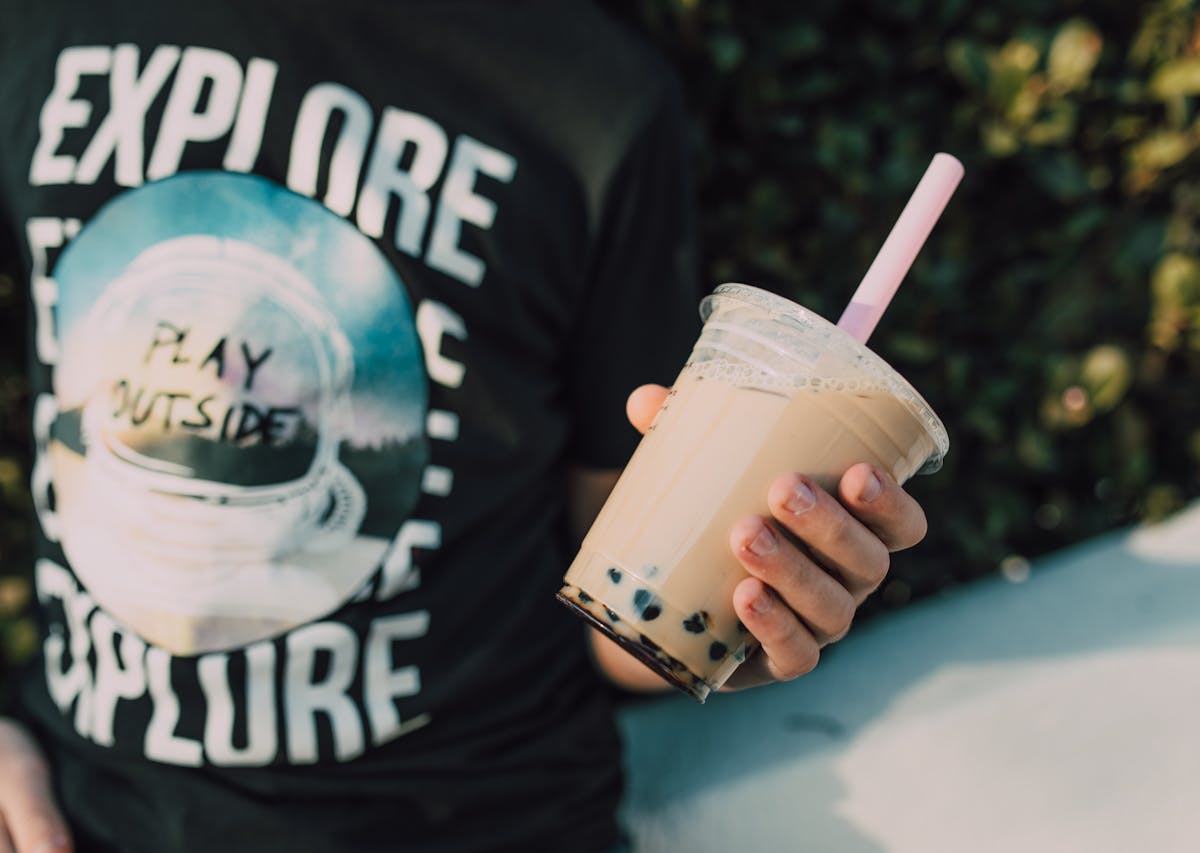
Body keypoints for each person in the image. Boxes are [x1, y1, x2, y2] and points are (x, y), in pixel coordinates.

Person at [0, 2, 929, 851]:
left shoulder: (589, 92)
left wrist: (745, 605)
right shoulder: (44, 26)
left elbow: (615, 610)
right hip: (85, 817)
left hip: (480, 821)